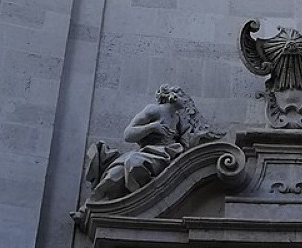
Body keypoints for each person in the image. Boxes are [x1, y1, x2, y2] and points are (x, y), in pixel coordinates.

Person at [82, 86, 219, 203]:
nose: (186, 101)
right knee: (120, 168)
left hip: (167, 155)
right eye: (183, 96)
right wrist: (152, 127)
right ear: (172, 96)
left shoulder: (177, 118)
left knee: (131, 162)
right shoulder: (153, 110)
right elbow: (128, 134)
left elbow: (187, 140)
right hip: (150, 152)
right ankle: (96, 201)